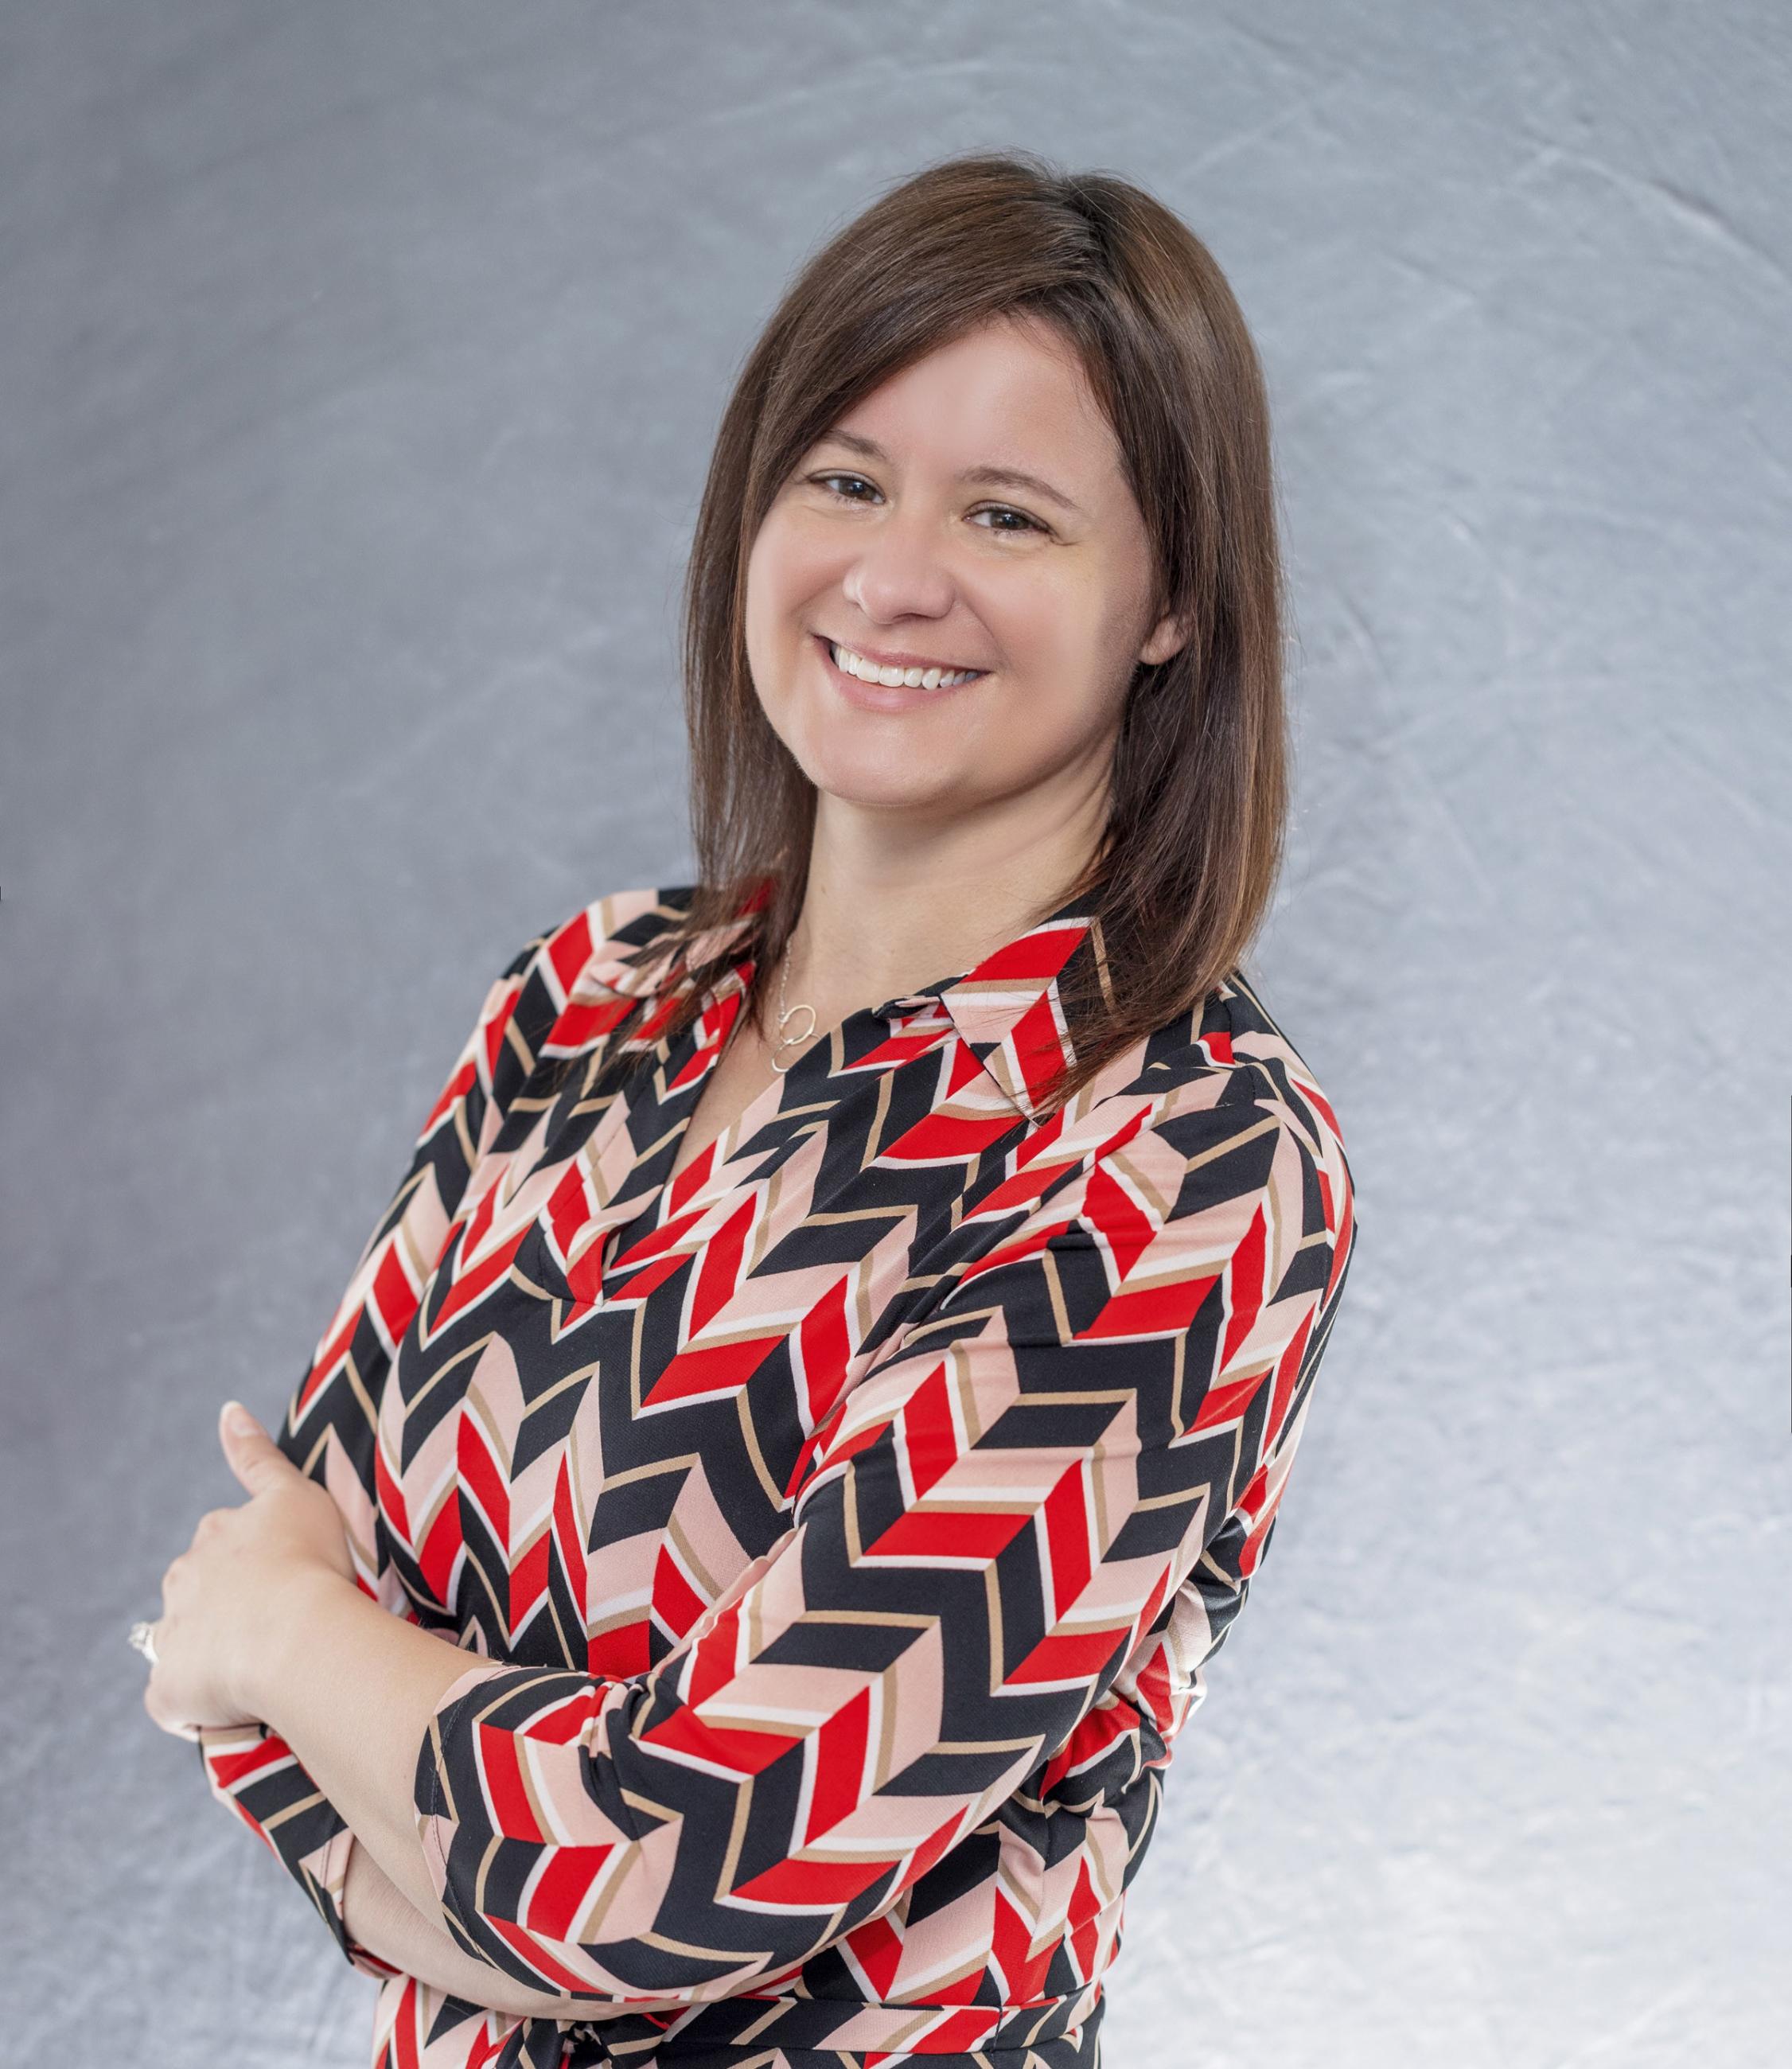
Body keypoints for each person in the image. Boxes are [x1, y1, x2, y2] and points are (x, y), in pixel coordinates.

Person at [137, 149, 1360, 2069]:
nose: (894, 576)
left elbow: (682, 1870)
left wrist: (293, 1642)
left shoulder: (1181, 1156)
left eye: (1010, 516)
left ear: (1171, 601)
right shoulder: (583, 1000)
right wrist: (478, 1825)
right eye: (845, 479)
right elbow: (295, 1748)